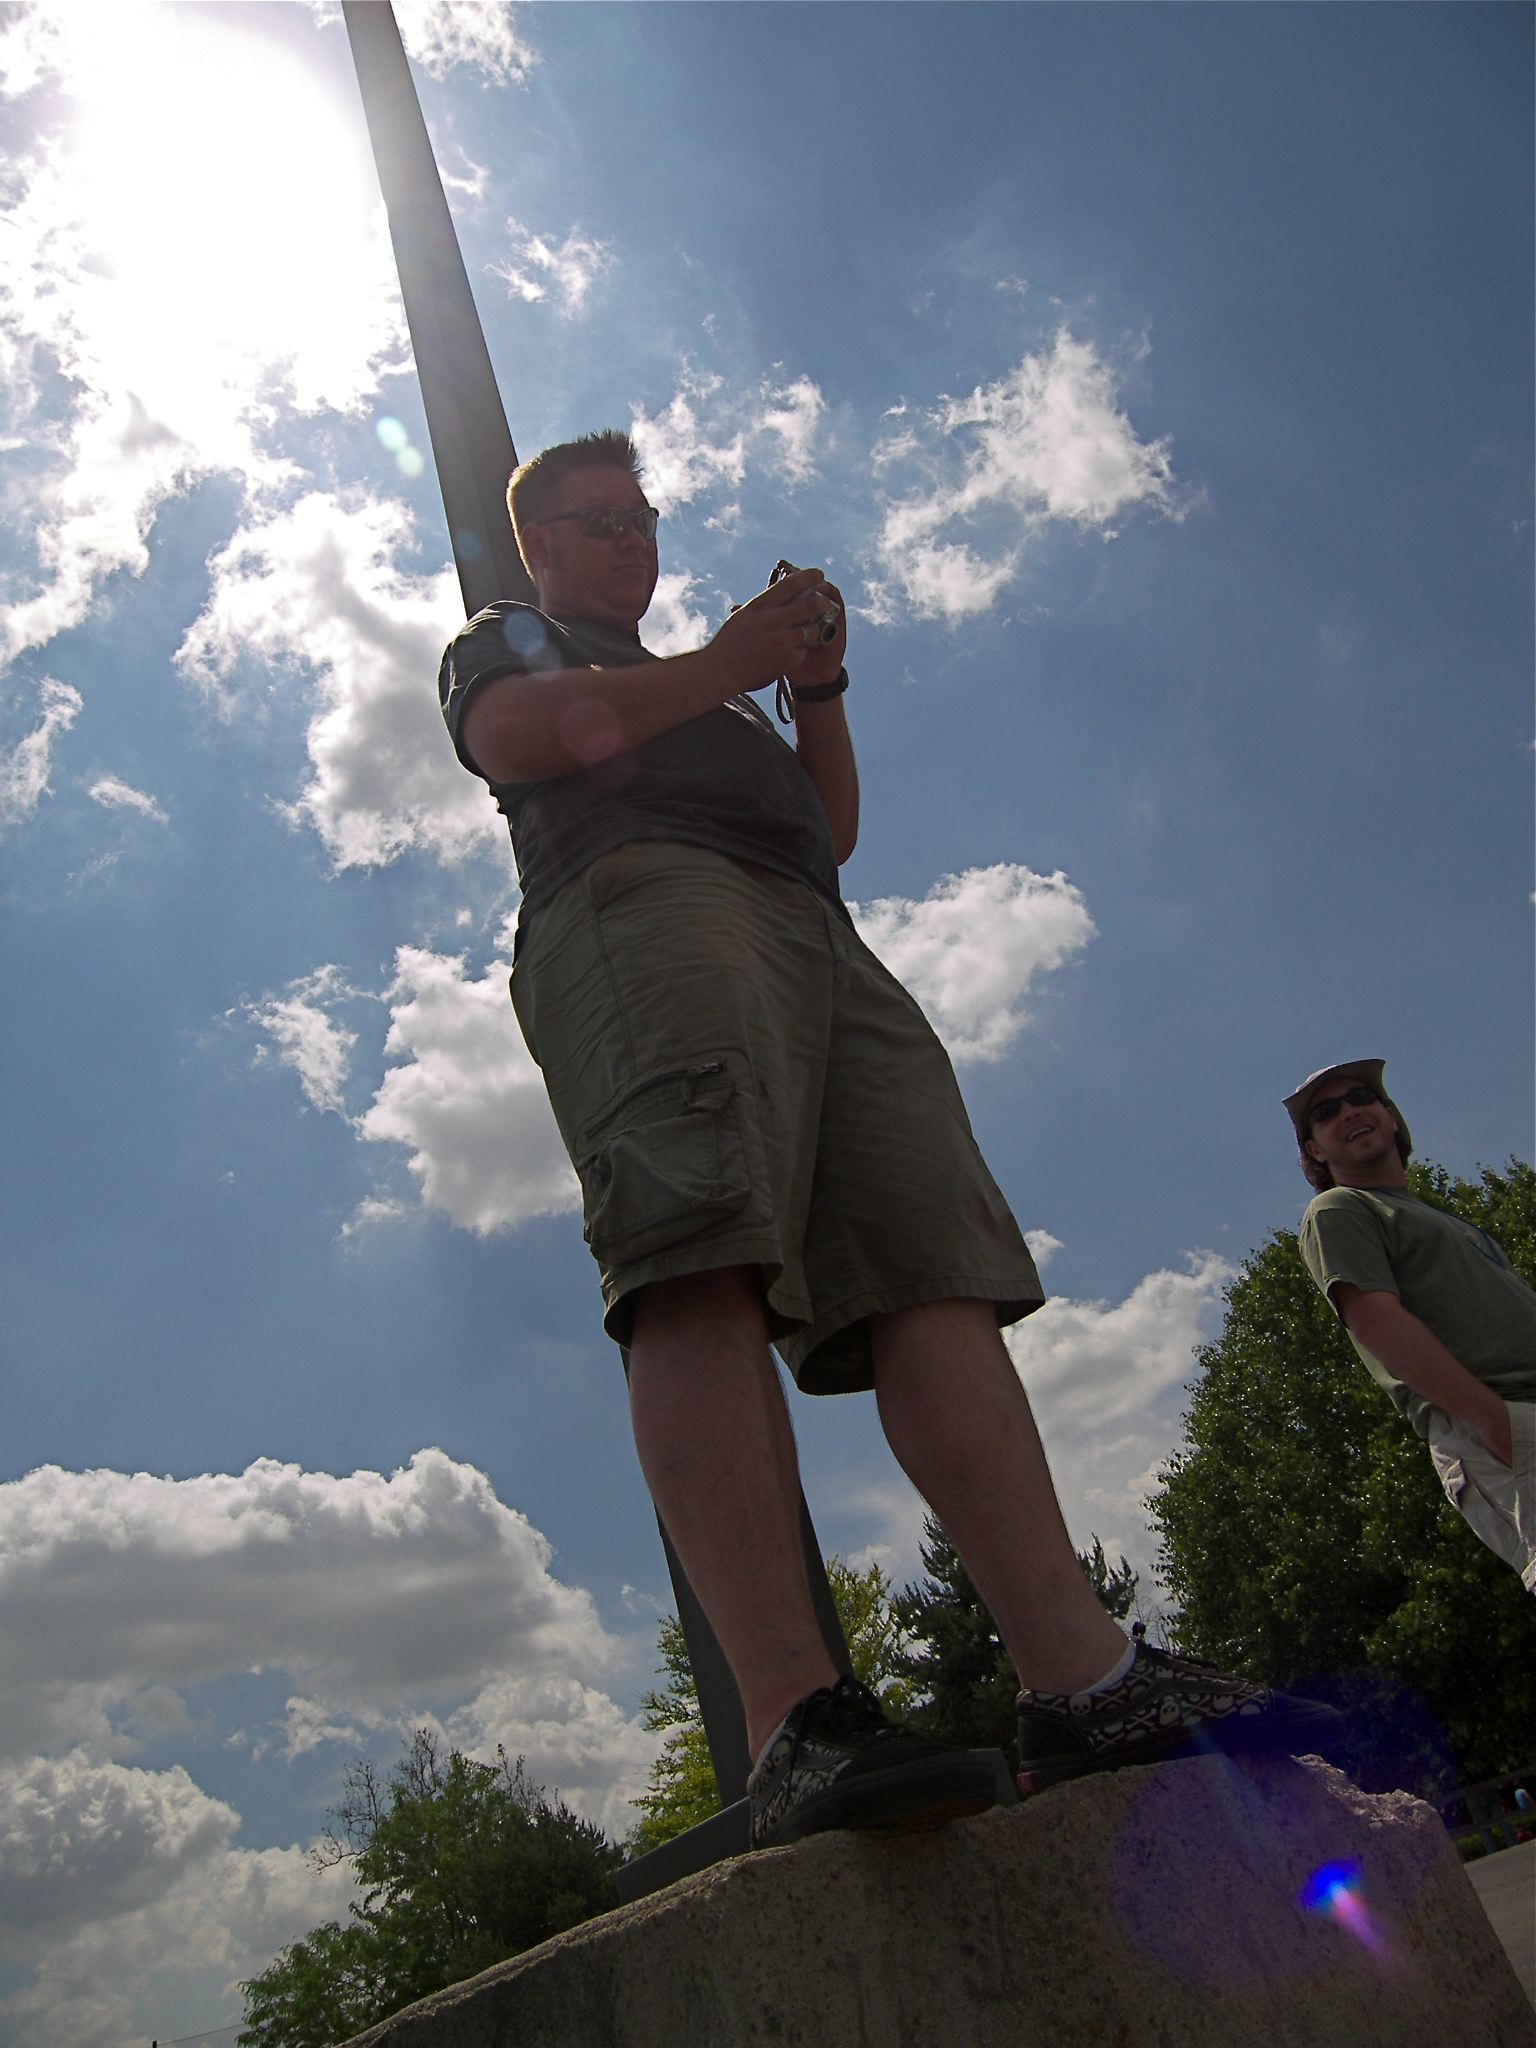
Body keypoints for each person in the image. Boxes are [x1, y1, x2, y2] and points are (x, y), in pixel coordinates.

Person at [438, 429, 1342, 1847]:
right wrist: (731, 663)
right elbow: (516, 740)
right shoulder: (509, 641)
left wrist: (814, 688)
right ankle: (794, 1718)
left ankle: (1082, 1676)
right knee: (697, 1253)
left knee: (934, 1274)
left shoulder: (712, 693)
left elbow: (831, 827)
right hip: (643, 904)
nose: (632, 538)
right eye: (601, 520)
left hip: (817, 934)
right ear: (538, 544)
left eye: (644, 515)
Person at [1284, 1058, 1536, 1592]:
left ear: (1391, 1116)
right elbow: (1376, 1322)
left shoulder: (1445, 1221)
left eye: (1361, 1099)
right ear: (1314, 1151)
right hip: (1503, 1422)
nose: (1348, 1112)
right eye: (1326, 1113)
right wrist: (1492, 1419)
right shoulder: (1339, 1209)